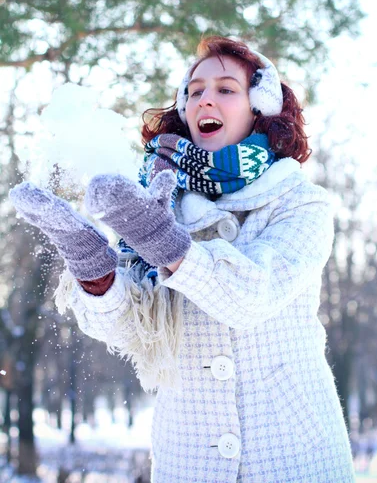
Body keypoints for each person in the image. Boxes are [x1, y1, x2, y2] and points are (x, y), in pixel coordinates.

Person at [9, 36, 355, 482]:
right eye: (194, 91)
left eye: (226, 89)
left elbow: (251, 297)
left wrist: (165, 243)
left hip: (296, 458)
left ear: (259, 107)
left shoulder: (300, 203)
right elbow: (136, 333)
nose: (205, 98)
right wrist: (93, 268)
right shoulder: (157, 201)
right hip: (189, 462)